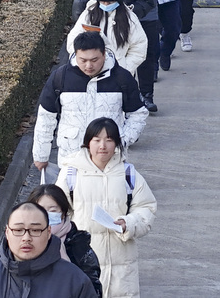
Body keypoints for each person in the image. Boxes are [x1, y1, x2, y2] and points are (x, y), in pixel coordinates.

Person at [57, 118, 156, 298]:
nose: (102, 145)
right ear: (88, 142)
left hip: (122, 265)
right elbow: (57, 211)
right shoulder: (71, 174)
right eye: (97, 139)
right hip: (82, 259)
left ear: (116, 143)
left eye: (109, 140)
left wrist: (129, 223)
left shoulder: (128, 173)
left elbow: (146, 208)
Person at [32, 31, 148, 170]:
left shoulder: (121, 78)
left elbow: (138, 114)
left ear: (104, 54)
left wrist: (121, 140)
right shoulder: (61, 77)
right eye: (83, 60)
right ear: (75, 54)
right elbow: (46, 117)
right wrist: (41, 155)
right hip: (71, 159)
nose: (88, 66)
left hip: (110, 161)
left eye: (94, 60)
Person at [0, 202, 98, 297]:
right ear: (7, 232)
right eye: (18, 230)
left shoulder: (74, 279)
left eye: (35, 230)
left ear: (48, 232)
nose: (26, 238)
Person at [27, 184, 102, 297]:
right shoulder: (21, 241)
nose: (46, 216)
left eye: (53, 210)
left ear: (63, 212)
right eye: (41, 210)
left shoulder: (78, 245)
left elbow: (93, 290)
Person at [67, 0, 148, 77]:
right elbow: (72, 41)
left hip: (117, 76)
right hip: (89, 74)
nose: (106, 4)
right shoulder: (89, 14)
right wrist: (82, 64)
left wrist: (125, 69)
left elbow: (139, 47)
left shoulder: (130, 18)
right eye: (102, 1)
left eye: (110, 2)